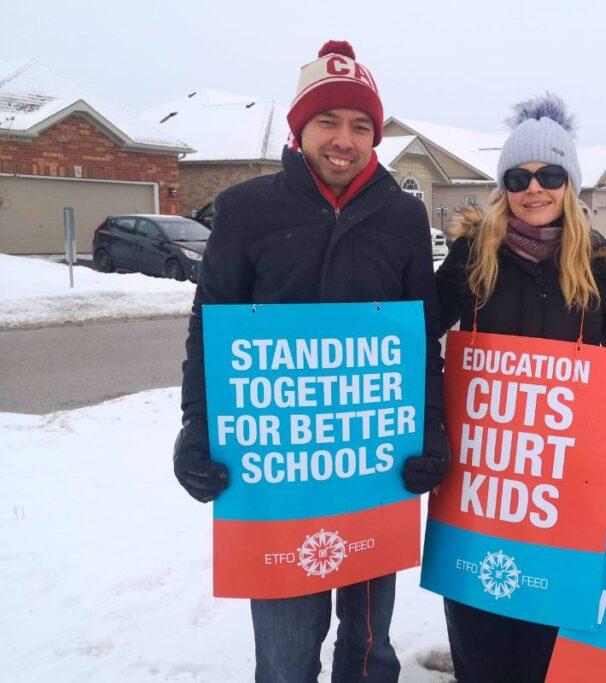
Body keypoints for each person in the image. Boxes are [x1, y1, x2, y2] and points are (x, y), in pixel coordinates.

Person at [172, 40, 450, 683]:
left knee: (370, 647)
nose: (344, 140)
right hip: (278, 471)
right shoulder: (248, 210)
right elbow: (208, 327)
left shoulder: (402, 215)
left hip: (373, 467)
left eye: (360, 125)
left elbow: (422, 335)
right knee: (288, 651)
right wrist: (197, 426)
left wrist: (431, 424)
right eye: (329, 121)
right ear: (300, 128)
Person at [434, 93, 606, 683]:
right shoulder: (474, 256)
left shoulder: (602, 266)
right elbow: (416, 332)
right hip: (482, 484)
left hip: (564, 488)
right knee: (481, 641)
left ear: (569, 183)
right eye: (518, 177)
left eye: (550, 174)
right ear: (504, 186)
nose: (534, 188)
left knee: (548, 649)